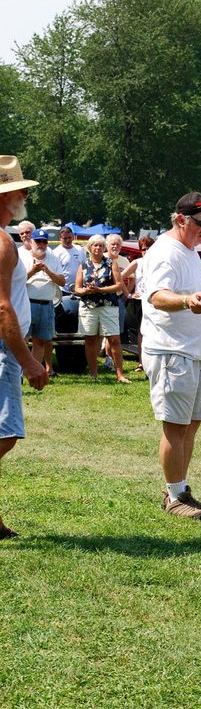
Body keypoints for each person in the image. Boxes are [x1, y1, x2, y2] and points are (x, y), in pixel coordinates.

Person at [141, 191, 201, 518]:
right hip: (172, 350)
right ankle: (174, 497)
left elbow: (188, 289)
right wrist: (187, 301)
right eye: (200, 223)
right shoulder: (165, 251)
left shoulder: (189, 250)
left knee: (191, 423)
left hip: (192, 350)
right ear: (180, 220)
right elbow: (158, 296)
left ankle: (180, 489)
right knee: (175, 425)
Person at [0, 155, 48, 539]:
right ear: (6, 196)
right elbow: (2, 308)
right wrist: (29, 362)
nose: (24, 198)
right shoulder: (2, 242)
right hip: (4, 351)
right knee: (5, 434)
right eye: (20, 191)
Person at [74, 235, 130, 383]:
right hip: (88, 307)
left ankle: (120, 374)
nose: (98, 248)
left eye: (100, 245)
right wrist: (86, 291)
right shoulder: (83, 266)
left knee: (114, 339)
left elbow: (119, 285)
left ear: (104, 247)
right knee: (90, 339)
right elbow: (77, 289)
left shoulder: (111, 263)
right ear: (90, 248)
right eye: (95, 245)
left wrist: (100, 290)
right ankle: (93, 374)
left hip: (108, 306)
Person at [19, 228, 65, 377]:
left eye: (44, 241)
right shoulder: (22, 257)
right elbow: (17, 281)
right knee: (23, 340)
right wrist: (33, 270)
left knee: (40, 342)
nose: (41, 244)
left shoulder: (53, 258)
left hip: (47, 305)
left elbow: (62, 282)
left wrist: (47, 271)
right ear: (31, 242)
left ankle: (32, 373)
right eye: (38, 241)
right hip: (27, 304)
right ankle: (19, 373)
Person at [121, 236, 155, 372]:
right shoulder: (137, 262)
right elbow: (120, 277)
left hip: (156, 300)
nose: (146, 252)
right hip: (140, 301)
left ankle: (154, 361)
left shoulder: (160, 262)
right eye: (143, 249)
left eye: (149, 249)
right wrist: (128, 294)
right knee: (142, 332)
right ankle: (141, 363)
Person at [102, 233, 131, 371]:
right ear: (107, 245)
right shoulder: (100, 258)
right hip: (102, 299)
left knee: (115, 332)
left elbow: (132, 278)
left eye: (118, 244)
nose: (115, 246)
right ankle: (106, 359)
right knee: (102, 333)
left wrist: (126, 295)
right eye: (112, 244)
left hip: (118, 299)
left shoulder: (124, 261)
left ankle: (110, 360)